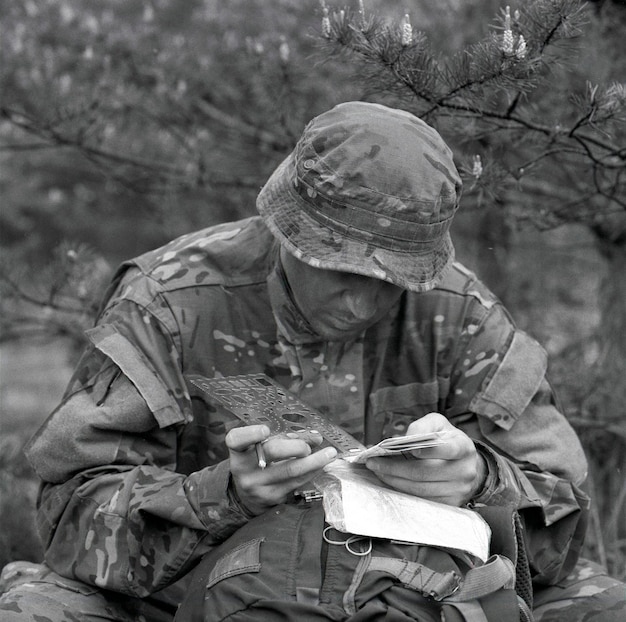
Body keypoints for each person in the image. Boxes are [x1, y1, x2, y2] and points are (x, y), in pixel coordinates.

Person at [0, 101, 623, 621]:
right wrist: (223, 495)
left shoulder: (458, 312)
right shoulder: (171, 303)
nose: (364, 299)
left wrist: (480, 480)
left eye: (394, 278)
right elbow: (68, 516)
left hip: (417, 594)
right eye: (340, 267)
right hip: (194, 600)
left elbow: (562, 524)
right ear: (285, 228)